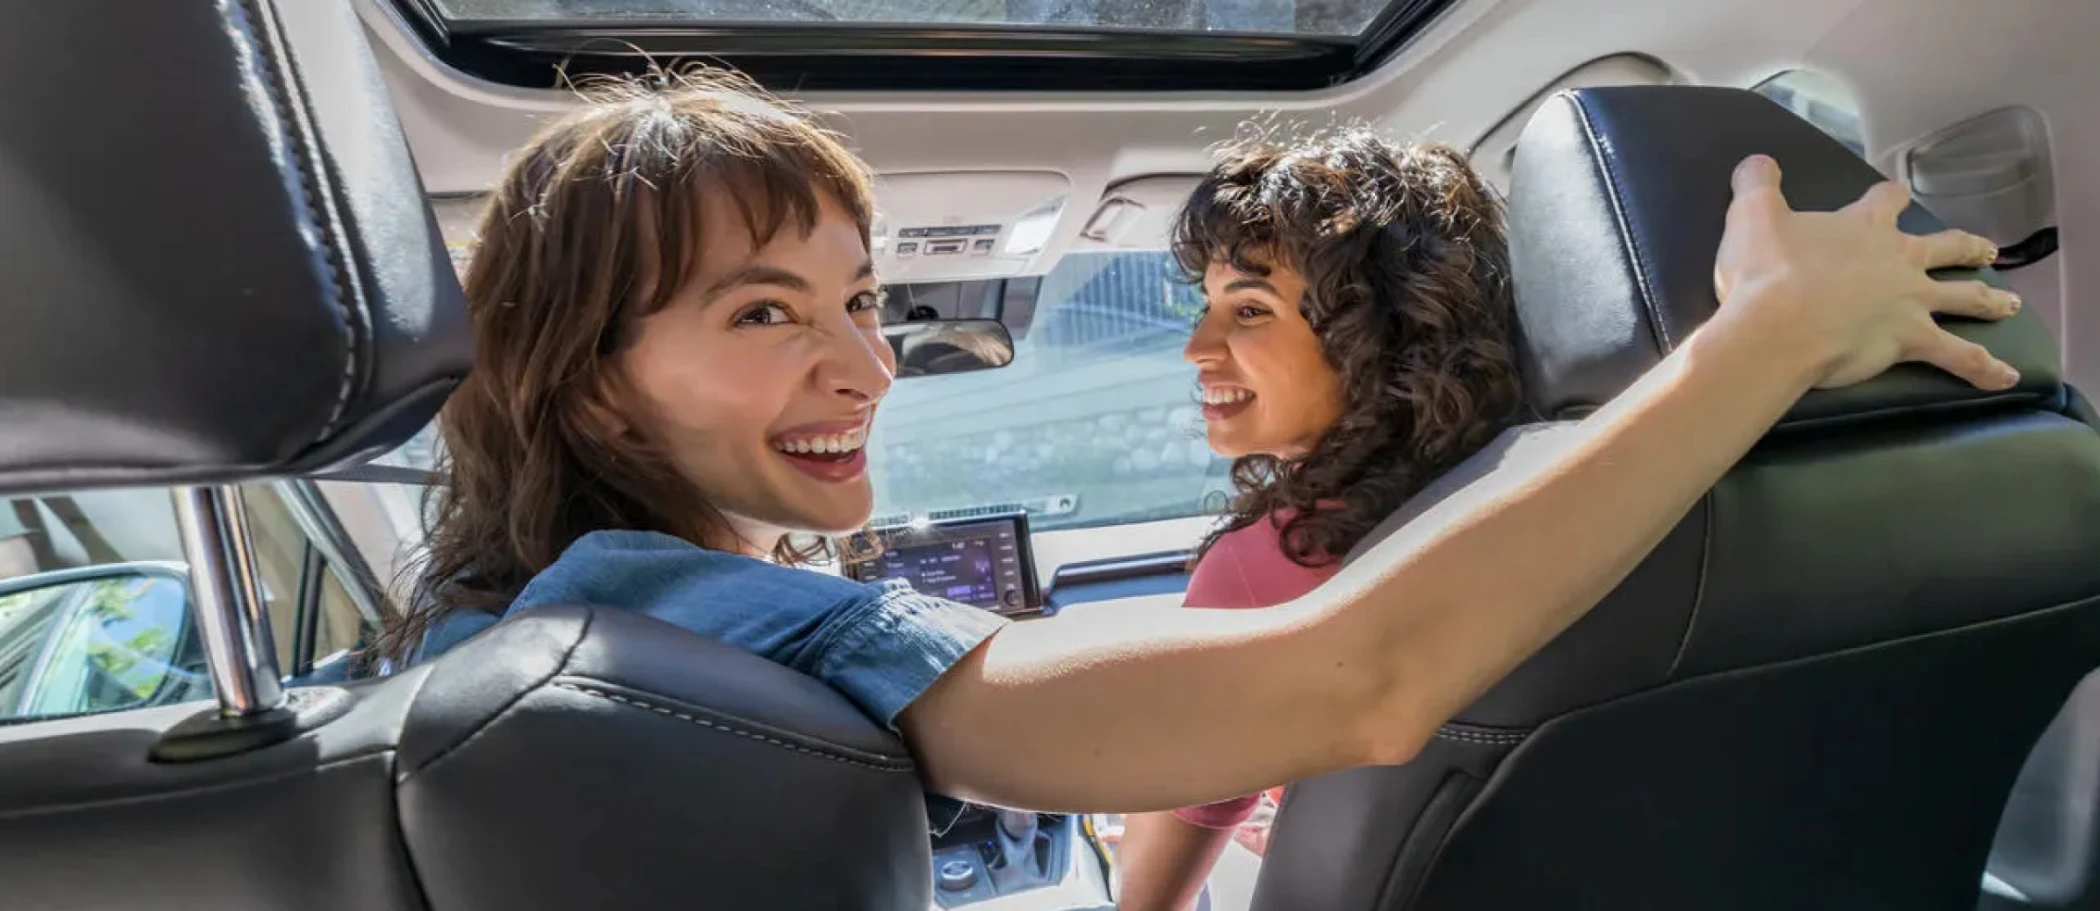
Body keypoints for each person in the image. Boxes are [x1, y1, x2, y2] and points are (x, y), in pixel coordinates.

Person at [380, 70, 2018, 826]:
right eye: (762, 313)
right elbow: (1344, 684)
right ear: (590, 389)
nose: (866, 363)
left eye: (861, 300)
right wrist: (1769, 344)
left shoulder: (572, 623)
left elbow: (1319, 681)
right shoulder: (714, 616)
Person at [1112, 130, 1524, 911]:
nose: (1197, 348)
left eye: (1251, 310)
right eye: (1206, 308)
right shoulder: (1541, 491)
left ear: (1376, 336)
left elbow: (1148, 894)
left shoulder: (1258, 571)